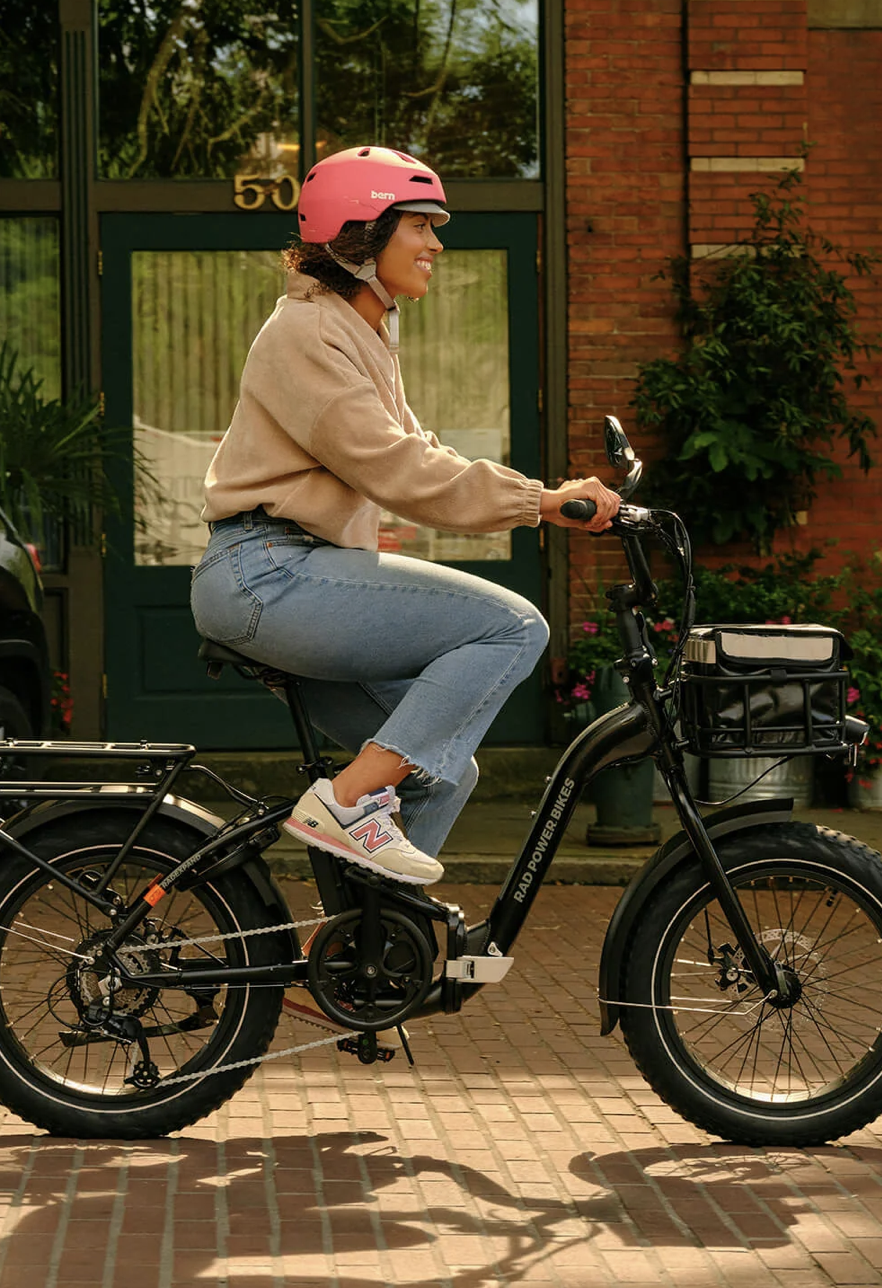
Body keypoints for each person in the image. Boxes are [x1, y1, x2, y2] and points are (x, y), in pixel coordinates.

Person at [191, 145, 620, 891]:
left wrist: (544, 495)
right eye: (419, 225)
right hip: (267, 574)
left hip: (293, 573)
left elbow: (417, 451)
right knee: (513, 626)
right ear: (362, 235)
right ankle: (345, 802)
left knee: (441, 767)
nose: (435, 245)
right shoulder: (307, 333)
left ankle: (364, 947)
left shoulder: (358, 332)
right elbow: (398, 469)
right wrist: (540, 502)